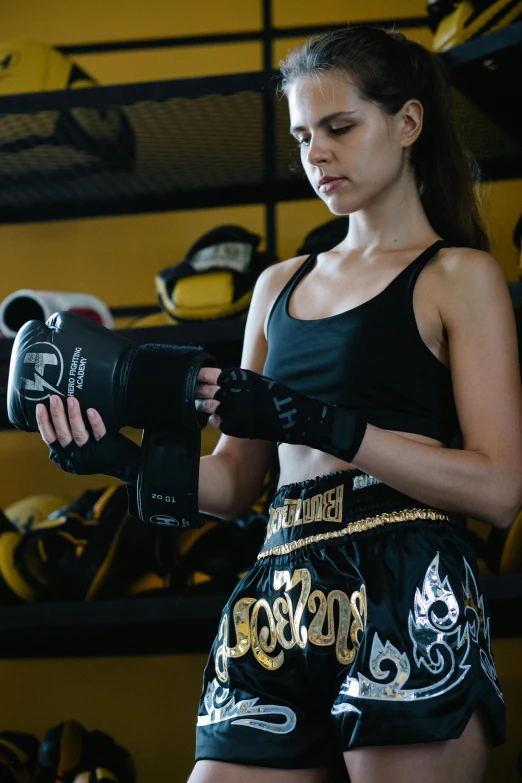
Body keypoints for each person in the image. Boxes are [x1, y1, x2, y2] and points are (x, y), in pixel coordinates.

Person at [35, 25, 522, 783]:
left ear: (408, 123)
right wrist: (120, 459)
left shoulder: (460, 275)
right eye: (302, 136)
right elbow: (232, 486)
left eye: (339, 127)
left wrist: (322, 422)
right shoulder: (276, 286)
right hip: (277, 590)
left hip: (406, 582)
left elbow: (497, 489)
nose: (316, 153)